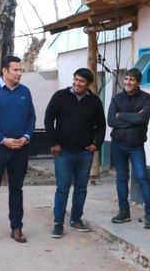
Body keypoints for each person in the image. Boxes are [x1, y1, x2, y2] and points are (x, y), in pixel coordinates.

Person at [0, 55, 36, 245]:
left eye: (21, 70)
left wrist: (26, 137)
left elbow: (31, 118)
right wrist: (4, 140)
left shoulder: (25, 92)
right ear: (5, 71)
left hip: (21, 148)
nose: (19, 73)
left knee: (17, 189)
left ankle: (16, 228)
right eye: (16, 70)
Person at [44, 67, 106, 238]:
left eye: (82, 81)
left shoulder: (94, 102)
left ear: (89, 84)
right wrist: (54, 143)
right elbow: (49, 119)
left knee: (81, 189)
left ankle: (76, 219)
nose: (77, 83)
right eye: (76, 79)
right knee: (62, 188)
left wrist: (97, 144)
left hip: (85, 153)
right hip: (63, 152)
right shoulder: (60, 96)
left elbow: (101, 125)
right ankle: (58, 224)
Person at [107, 68, 150, 228]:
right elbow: (111, 121)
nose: (128, 82)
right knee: (121, 178)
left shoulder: (146, 98)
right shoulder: (117, 99)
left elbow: (143, 118)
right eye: (126, 79)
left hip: (136, 145)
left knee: (142, 178)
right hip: (118, 145)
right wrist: (133, 119)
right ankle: (124, 212)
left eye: (132, 80)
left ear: (138, 82)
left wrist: (121, 115)